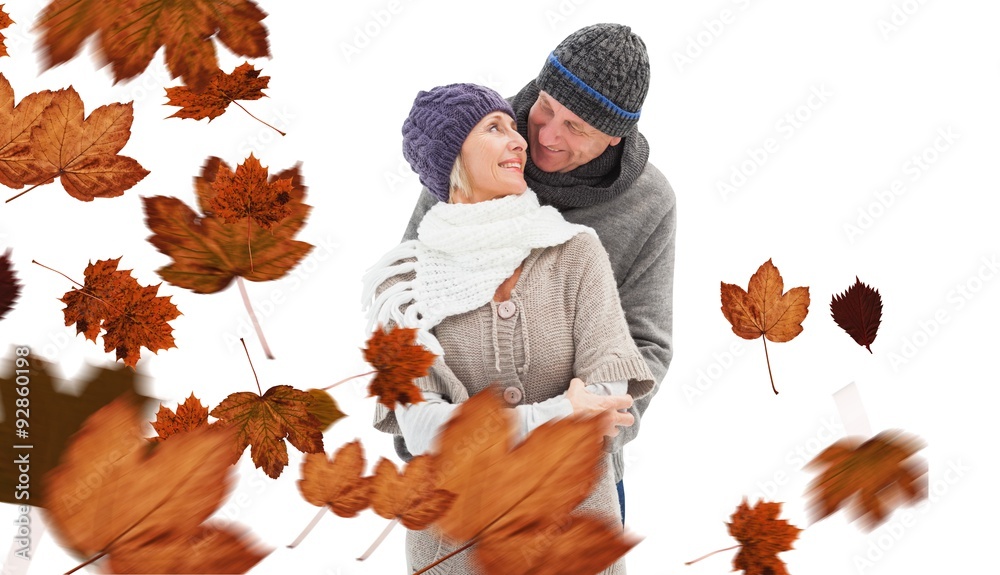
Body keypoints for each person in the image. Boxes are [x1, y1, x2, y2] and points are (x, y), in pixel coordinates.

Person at [364, 83, 654, 574]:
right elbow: (421, 428)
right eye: (495, 130)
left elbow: (607, 400)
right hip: (454, 549)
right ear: (453, 157)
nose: (520, 141)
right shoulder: (404, 285)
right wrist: (561, 412)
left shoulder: (576, 251)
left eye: (514, 128)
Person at [398, 23, 676, 521]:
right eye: (547, 106)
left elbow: (645, 342)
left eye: (577, 128)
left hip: (573, 480)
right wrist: (424, 433)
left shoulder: (648, 203)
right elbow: (410, 292)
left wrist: (590, 431)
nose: (544, 135)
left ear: (614, 136)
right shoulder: (482, 140)